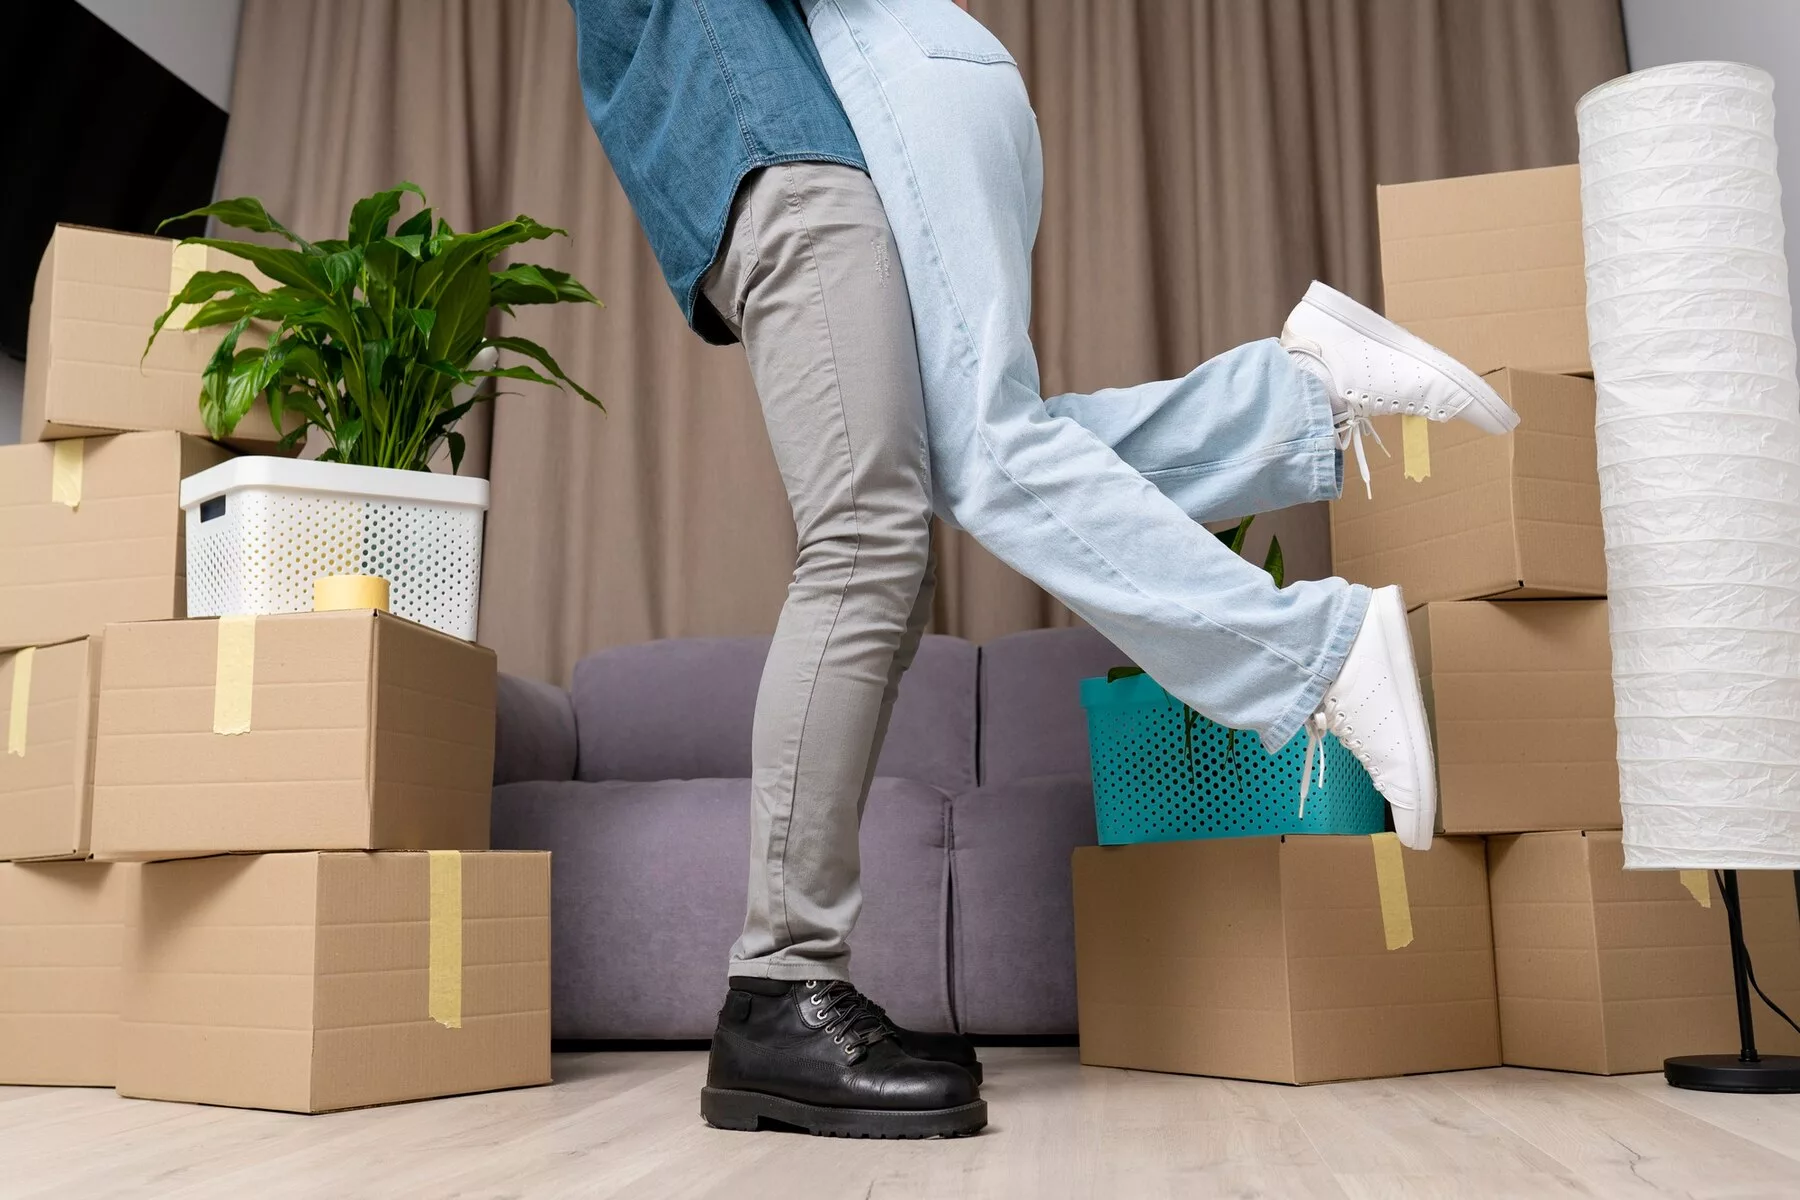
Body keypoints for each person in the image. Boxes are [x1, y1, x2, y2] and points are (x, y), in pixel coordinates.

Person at [801, 0, 1518, 849]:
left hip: (887, 84)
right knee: (975, 452)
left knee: (988, 449)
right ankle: (1304, 392)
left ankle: (1315, 647)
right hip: (932, 76)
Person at [569, 0, 986, 1140]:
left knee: (891, 570)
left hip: (791, 151)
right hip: (784, 153)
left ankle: (791, 986)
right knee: (865, 543)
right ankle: (778, 988)